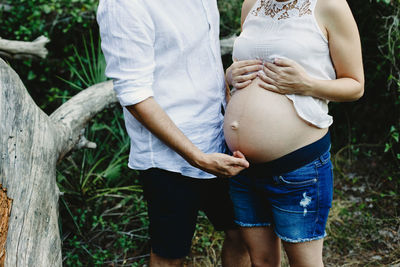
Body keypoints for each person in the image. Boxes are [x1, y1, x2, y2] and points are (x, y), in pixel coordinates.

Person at [97, 1, 252, 267]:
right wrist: (197, 157)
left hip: (220, 138)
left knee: (244, 234)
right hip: (169, 158)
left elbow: (204, 59)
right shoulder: (123, 5)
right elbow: (135, 95)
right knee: (171, 254)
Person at [224, 0, 364, 266]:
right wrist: (229, 75)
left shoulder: (329, 5)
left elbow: (355, 85)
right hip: (243, 168)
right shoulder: (251, 4)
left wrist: (306, 84)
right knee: (261, 262)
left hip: (298, 169)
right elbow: (250, 72)